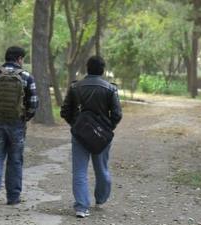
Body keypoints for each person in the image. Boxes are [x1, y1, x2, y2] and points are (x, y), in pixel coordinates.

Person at [60, 55, 122, 218]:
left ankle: (81, 207)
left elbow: (65, 111)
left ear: (87, 68)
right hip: (102, 136)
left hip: (79, 136)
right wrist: (108, 128)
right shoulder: (110, 88)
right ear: (102, 70)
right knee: (102, 169)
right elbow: (117, 114)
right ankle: (100, 199)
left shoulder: (75, 87)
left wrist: (77, 126)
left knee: (79, 171)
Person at [0, 46, 38, 210]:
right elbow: (33, 104)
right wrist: (25, 118)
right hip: (17, 125)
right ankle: (13, 197)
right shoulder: (27, 77)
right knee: (15, 160)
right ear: (19, 59)